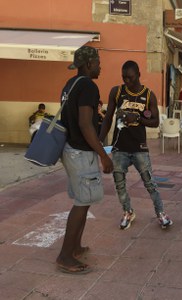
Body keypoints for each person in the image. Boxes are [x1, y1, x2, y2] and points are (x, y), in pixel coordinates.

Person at [56, 46, 113, 274]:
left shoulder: (70, 85)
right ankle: (65, 255)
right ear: (89, 64)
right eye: (98, 62)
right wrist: (103, 155)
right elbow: (85, 124)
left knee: (83, 199)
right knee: (81, 203)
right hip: (81, 152)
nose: (100, 66)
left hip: (70, 149)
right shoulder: (88, 85)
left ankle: (75, 247)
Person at [99, 60, 172, 230]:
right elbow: (108, 118)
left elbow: (155, 122)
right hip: (119, 148)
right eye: (124, 78)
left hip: (139, 148)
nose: (127, 81)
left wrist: (138, 119)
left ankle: (161, 213)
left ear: (139, 75)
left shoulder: (148, 95)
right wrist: (98, 142)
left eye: (130, 78)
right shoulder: (116, 92)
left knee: (149, 182)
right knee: (119, 183)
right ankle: (128, 211)